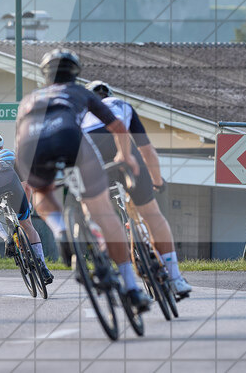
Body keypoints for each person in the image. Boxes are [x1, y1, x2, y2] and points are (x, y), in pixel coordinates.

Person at [15, 48, 151, 312]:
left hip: (32, 148)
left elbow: (19, 143)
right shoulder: (80, 92)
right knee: (103, 212)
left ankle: (60, 230)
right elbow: (117, 127)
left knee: (43, 195)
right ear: (75, 73)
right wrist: (125, 156)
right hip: (70, 140)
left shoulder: (28, 99)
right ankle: (132, 289)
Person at [82, 80, 192, 299]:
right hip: (124, 153)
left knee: (97, 213)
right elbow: (147, 151)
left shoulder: (80, 114)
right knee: (152, 214)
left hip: (92, 157)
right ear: (109, 94)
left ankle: (111, 264)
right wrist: (157, 181)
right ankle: (176, 278)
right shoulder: (122, 106)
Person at [0, 132, 53, 285]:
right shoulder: (10, 154)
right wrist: (26, 205)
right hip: (13, 185)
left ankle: (6, 238)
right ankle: (43, 267)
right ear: (1, 146)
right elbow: (26, 186)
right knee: (27, 225)